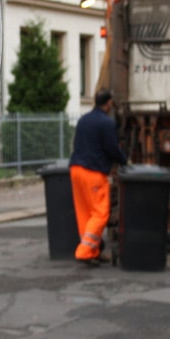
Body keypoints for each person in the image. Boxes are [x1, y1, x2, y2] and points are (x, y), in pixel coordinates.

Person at [70, 88, 128, 264]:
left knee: (85, 213)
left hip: (75, 170)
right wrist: (124, 161)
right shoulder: (106, 123)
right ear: (109, 103)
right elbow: (112, 148)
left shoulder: (83, 119)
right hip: (93, 172)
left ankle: (92, 251)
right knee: (101, 212)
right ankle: (84, 251)